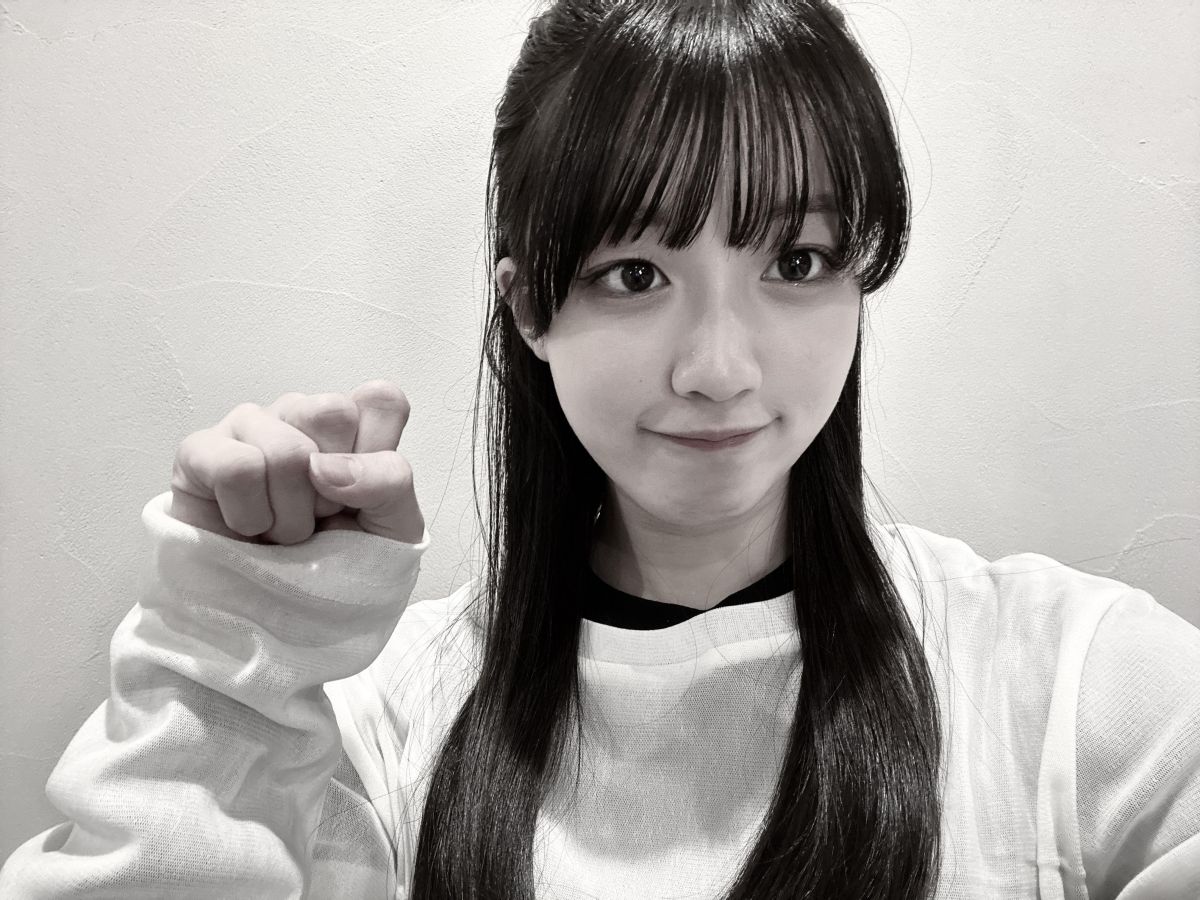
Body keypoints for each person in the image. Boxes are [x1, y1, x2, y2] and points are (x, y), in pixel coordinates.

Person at [2, 0, 1198, 897]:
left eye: (796, 261)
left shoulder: (1066, 687)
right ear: (529, 307)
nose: (718, 367)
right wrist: (234, 653)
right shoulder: (383, 727)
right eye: (635, 273)